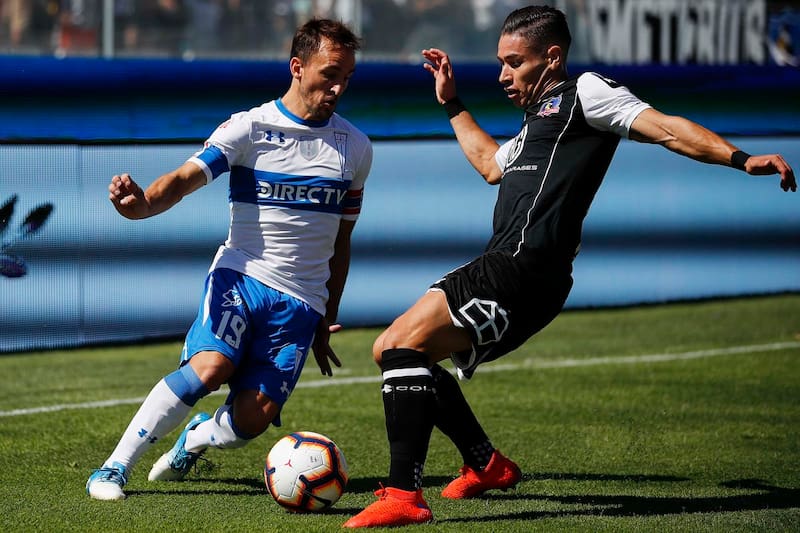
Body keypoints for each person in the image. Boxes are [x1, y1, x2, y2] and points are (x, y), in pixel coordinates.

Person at [343, 5, 795, 528]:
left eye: (514, 63)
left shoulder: (588, 93)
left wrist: (740, 159)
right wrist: (451, 103)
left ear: (552, 57)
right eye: (500, 63)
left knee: (400, 345)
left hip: (520, 268)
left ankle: (404, 495)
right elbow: (491, 164)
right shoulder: (541, 119)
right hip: (519, 271)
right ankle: (486, 465)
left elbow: (668, 129)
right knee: (393, 350)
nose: (503, 75)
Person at [86, 18, 372, 501]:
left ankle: (196, 436)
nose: (338, 87)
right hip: (242, 276)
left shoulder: (356, 148)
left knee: (250, 422)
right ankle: (113, 468)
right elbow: (184, 178)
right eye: (329, 74)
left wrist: (328, 313)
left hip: (301, 303)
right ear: (297, 67)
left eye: (347, 76)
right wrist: (142, 206)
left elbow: (342, 240)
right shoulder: (250, 127)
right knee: (211, 367)